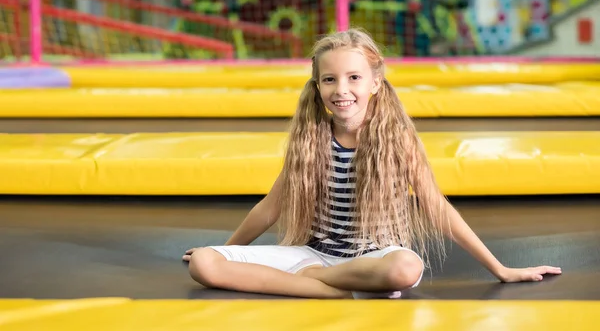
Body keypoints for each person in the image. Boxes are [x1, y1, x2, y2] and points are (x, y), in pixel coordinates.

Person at [182, 28, 561, 299]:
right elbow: (270, 208)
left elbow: (436, 208)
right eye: (329, 80)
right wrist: (225, 249)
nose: (341, 90)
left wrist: (501, 269)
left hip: (374, 258)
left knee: (405, 269)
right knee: (204, 263)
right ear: (317, 87)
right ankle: (330, 288)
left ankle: (321, 283)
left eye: (353, 78)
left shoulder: (397, 140)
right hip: (312, 254)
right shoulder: (309, 139)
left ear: (375, 83)